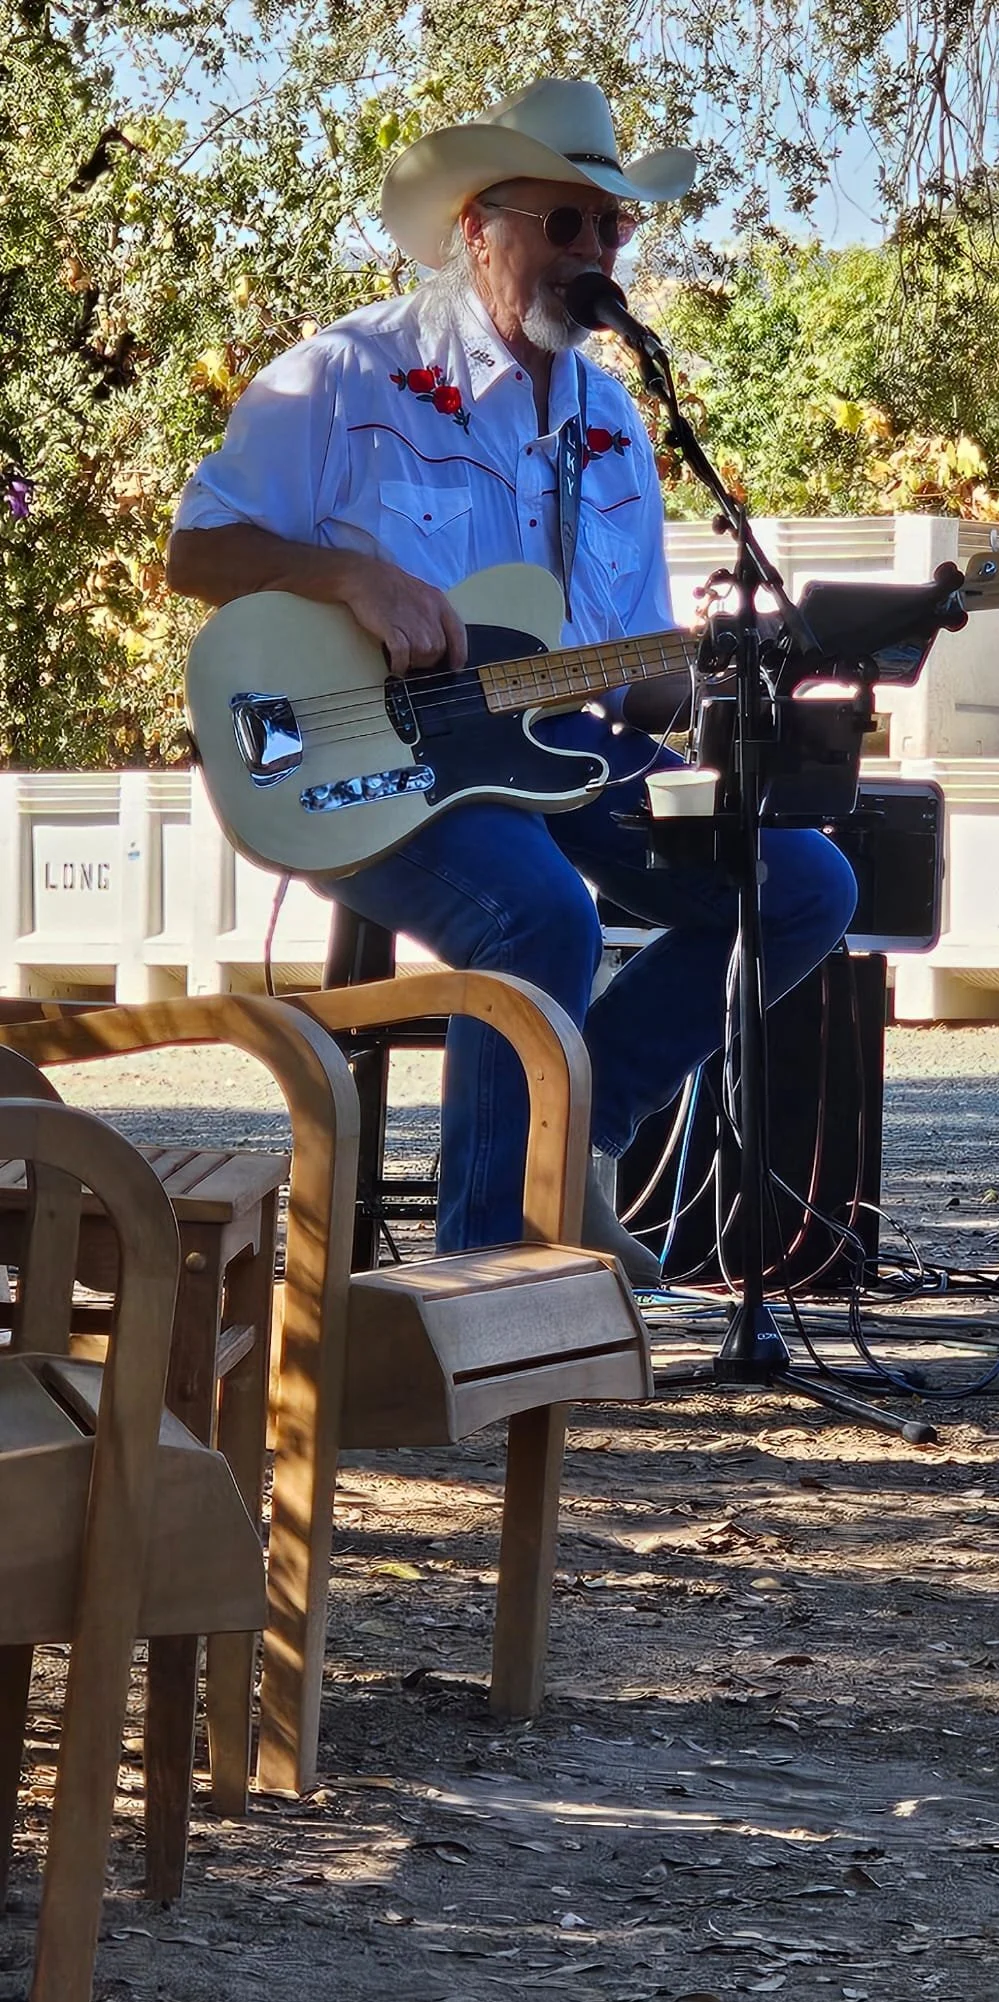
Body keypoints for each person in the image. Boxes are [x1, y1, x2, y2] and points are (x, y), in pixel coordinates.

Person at [168, 78, 857, 1286]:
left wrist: (707, 680)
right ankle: (484, 1275)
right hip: (362, 756)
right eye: (564, 224)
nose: (594, 253)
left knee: (801, 880)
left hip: (552, 743)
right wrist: (346, 578)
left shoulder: (616, 423)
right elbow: (198, 548)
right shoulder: (348, 375)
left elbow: (634, 672)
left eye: (612, 229)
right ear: (479, 225)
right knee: (539, 911)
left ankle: (578, 1133)